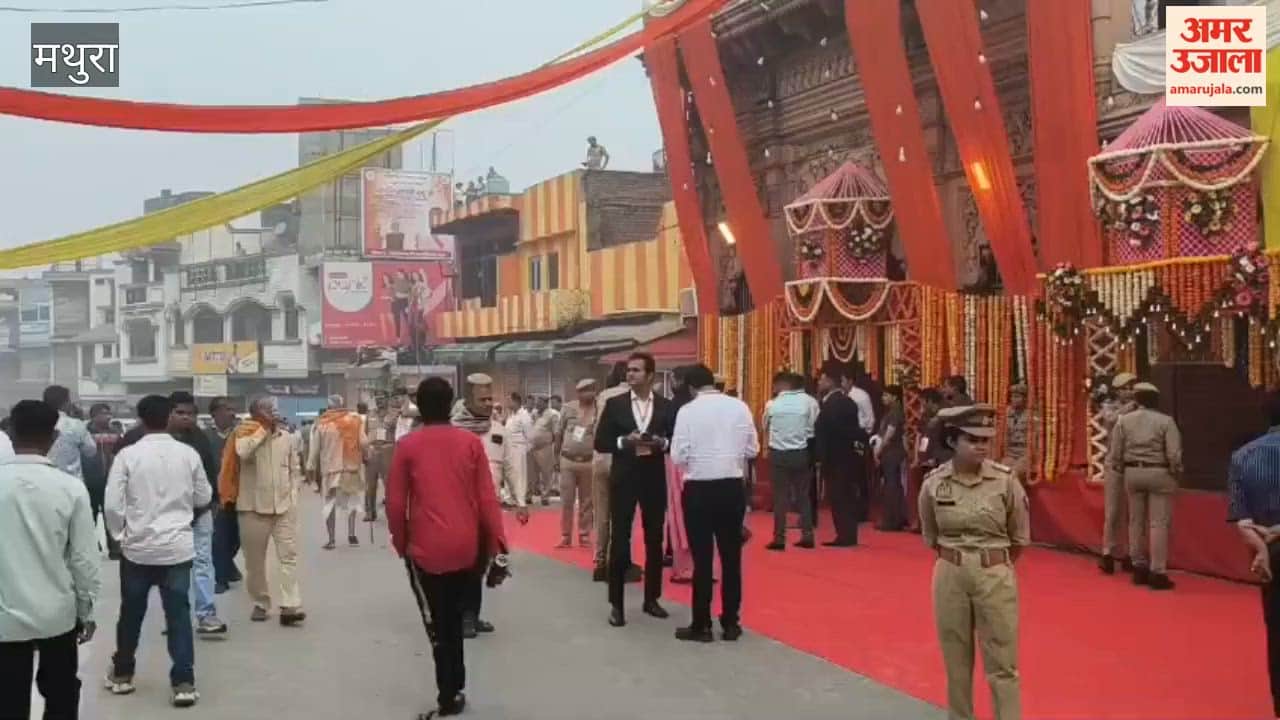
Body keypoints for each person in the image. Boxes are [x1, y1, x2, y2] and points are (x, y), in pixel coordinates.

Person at [389, 378, 510, 719]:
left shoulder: (407, 446)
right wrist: (499, 546)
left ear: (419, 405)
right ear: (451, 403)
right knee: (455, 618)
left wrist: (401, 543)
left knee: (437, 623)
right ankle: (457, 684)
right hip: (467, 546)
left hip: (425, 548)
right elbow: (487, 499)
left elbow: (396, 504)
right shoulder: (470, 443)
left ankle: (448, 693)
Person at [919, 404, 1029, 720]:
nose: (981, 446)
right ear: (952, 441)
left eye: (985, 440)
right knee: (956, 662)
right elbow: (930, 535)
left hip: (993, 573)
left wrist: (990, 562)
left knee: (1003, 663)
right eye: (972, 439)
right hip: (950, 573)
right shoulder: (934, 483)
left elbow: (1019, 537)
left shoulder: (1005, 481)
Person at [104, 395, 212, 707]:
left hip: (137, 549)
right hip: (177, 548)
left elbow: (112, 504)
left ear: (141, 419)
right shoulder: (188, 454)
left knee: (131, 613)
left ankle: (123, 674)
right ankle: (183, 682)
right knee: (178, 615)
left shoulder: (128, 455)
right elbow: (203, 496)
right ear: (168, 418)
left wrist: (120, 535)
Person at [0, 400, 100, 719]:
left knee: (7, 698)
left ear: (10, 431)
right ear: (55, 436)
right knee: (61, 693)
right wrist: (86, 610)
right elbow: (84, 559)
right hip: (57, 614)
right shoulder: (70, 488)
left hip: (4, 617)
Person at [115, 392, 226, 637]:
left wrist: (213, 501)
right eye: (180, 413)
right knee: (167, 569)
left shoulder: (199, 439)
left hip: (199, 512)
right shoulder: (134, 440)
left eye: (191, 413)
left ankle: (206, 614)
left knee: (203, 562)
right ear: (168, 414)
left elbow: (209, 473)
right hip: (157, 518)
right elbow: (118, 481)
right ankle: (176, 616)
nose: (187, 418)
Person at [671, 364, 758, 642]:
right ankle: (731, 622)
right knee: (731, 558)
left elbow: (678, 456)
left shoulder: (687, 411)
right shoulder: (740, 407)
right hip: (731, 486)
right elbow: (752, 448)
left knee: (702, 559)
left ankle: (702, 624)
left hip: (699, 487)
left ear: (690, 387)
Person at [595, 352, 675, 627]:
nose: (630, 374)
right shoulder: (615, 404)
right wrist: (623, 442)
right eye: (628, 370)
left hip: (653, 477)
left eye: (636, 370)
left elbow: (675, 439)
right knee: (620, 539)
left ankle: (652, 598)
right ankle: (616, 604)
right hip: (624, 476)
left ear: (650, 375)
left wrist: (661, 443)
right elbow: (600, 442)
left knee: (654, 539)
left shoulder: (666, 405)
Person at [450, 373, 528, 638]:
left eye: (489, 398)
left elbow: (511, 467)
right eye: (481, 399)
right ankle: (461, 616)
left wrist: (520, 501)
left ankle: (472, 615)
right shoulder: (452, 429)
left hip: (488, 507)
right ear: (468, 397)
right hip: (457, 507)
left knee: (481, 563)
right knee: (462, 563)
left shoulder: (498, 430)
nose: (487, 404)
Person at [218, 395, 306, 626]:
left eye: (275, 409)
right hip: (252, 508)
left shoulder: (286, 437)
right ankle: (261, 603)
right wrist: (262, 429)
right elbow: (243, 452)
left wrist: (293, 494)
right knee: (255, 562)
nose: (274, 412)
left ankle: (290, 605)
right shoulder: (244, 434)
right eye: (268, 409)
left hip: (283, 507)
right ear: (256, 413)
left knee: (289, 556)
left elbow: (294, 468)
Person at [1226, 391, 1280, 719]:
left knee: (1276, 628)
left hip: (1270, 551)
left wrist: (1261, 546)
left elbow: (1240, 518)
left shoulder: (1243, 456)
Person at [1107, 381, 1181, 590]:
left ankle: (1138, 567)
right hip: (1159, 471)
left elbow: (1115, 452)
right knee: (1158, 523)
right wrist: (1175, 471)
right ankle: (1158, 572)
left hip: (1132, 472)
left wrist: (1122, 468)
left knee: (1135, 521)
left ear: (1137, 400)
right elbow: (1174, 454)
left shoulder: (1124, 421)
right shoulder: (1166, 421)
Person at [592, 362, 642, 584]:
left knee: (602, 514)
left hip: (600, 458)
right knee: (622, 516)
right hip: (622, 460)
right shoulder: (637, 397)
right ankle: (621, 564)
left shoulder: (603, 396)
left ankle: (600, 562)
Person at [815, 363, 868, 547]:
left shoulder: (831, 404)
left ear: (830, 381)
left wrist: (820, 458)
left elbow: (826, 433)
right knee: (847, 496)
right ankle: (849, 534)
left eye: (822, 379)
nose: (819, 382)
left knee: (839, 497)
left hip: (834, 458)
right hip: (849, 456)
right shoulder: (848, 401)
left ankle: (844, 535)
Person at [764, 371, 819, 550]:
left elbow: (765, 426)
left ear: (783, 385)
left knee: (780, 497)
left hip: (778, 453)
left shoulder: (772, 404)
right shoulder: (810, 402)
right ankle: (808, 535)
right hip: (801, 452)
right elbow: (812, 429)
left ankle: (779, 538)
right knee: (803, 495)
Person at [311, 395, 369, 550]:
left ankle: (331, 540)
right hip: (351, 468)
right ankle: (352, 535)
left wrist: (311, 469)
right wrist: (367, 456)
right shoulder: (355, 420)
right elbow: (364, 442)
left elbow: (315, 450)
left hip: (331, 470)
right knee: (352, 501)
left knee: (329, 503)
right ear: (343, 405)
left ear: (329, 407)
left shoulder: (322, 423)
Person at [1099, 371, 1138, 574]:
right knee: (1112, 511)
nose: (1129, 392)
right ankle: (1107, 552)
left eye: (1131, 388)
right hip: (1114, 465)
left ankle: (1131, 554)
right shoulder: (1110, 406)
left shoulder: (1139, 409)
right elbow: (1110, 420)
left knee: (1133, 512)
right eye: (1125, 388)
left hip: (1133, 464)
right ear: (1117, 391)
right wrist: (1127, 409)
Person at [662, 367, 698, 582]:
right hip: (704, 465)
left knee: (678, 515)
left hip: (677, 463)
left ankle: (683, 567)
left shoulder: (674, 406)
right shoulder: (702, 406)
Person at [205, 397, 243, 593]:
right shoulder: (205, 437)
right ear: (215, 413)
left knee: (237, 538)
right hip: (215, 496)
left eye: (233, 409)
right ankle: (221, 578)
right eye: (227, 409)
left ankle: (228, 566)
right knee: (219, 537)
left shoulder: (241, 435)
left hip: (240, 494)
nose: (232, 413)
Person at [557, 379, 599, 549]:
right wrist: (556, 457)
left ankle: (584, 535)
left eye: (591, 390)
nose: (588, 393)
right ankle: (565, 536)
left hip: (589, 461)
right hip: (568, 460)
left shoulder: (599, 409)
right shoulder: (568, 408)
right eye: (583, 390)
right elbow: (559, 433)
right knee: (566, 501)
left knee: (587, 501)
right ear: (578, 393)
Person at [85, 401, 122, 559]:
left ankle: (115, 549)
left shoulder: (115, 433)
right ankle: (91, 546)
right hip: (90, 481)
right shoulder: (85, 433)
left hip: (110, 481)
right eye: (103, 413)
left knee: (111, 514)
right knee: (89, 516)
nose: (107, 416)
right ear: (93, 416)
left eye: (108, 413)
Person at [44, 384, 97, 482]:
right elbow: (91, 450)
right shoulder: (75, 424)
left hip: (43, 480)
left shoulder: (35, 423)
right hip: (71, 481)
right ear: (66, 403)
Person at [875, 384, 909, 532]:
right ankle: (897, 518)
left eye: (886, 395)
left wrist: (878, 450)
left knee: (891, 486)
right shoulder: (894, 412)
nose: (883, 398)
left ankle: (892, 520)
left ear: (894, 397)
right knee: (894, 485)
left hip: (892, 452)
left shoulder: (895, 413)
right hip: (894, 452)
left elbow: (889, 434)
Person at [365, 395, 400, 522]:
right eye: (377, 399)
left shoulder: (395, 414)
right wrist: (365, 451)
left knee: (389, 483)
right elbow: (364, 433)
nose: (379, 401)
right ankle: (370, 512)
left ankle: (392, 512)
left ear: (387, 400)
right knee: (370, 484)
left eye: (382, 398)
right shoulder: (370, 415)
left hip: (388, 449)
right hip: (372, 449)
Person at [1001, 384, 1036, 486]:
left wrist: (1032, 456)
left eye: (1017, 397)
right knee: (1002, 473)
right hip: (1010, 452)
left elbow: (1036, 439)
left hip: (1025, 454)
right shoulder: (1007, 412)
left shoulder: (1031, 415)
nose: (1014, 400)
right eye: (1012, 396)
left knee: (1014, 475)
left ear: (1025, 399)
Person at [505, 393, 534, 506]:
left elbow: (530, 436)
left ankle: (520, 501)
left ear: (516, 402)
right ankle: (509, 499)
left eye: (509, 400)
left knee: (519, 476)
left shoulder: (524, 415)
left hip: (519, 449)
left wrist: (523, 450)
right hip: (508, 449)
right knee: (509, 474)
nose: (507, 403)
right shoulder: (511, 415)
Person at [529, 396, 557, 506]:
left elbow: (556, 433)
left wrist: (549, 444)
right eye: (536, 402)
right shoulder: (534, 413)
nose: (536, 404)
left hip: (545, 448)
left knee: (546, 473)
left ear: (546, 403)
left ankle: (545, 496)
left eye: (539, 402)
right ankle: (531, 494)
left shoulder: (552, 414)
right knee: (531, 474)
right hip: (532, 448)